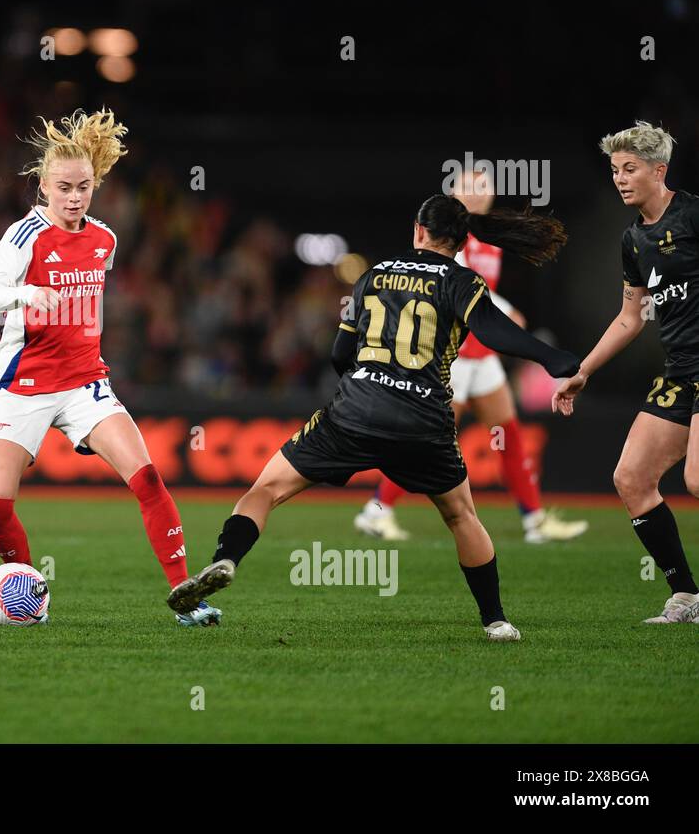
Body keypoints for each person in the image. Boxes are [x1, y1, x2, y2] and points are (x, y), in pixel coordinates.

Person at [171, 195, 580, 641]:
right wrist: (550, 357)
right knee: (462, 516)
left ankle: (228, 558)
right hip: (424, 421)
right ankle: (496, 620)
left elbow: (339, 354)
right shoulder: (464, 281)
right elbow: (493, 331)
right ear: (462, 242)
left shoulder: (373, 275)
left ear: (418, 230)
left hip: (354, 411)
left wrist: (367, 389)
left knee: (265, 490)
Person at [0, 109, 220, 626]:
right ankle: (25, 590)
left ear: (95, 186)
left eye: (83, 187)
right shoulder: (23, 236)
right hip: (23, 386)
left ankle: (186, 594)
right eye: (64, 187)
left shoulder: (104, 239)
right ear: (43, 186)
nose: (73, 197)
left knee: (149, 477)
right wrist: (28, 294)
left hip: (86, 382)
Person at [355, 169, 587, 544]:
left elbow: (477, 291)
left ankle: (534, 520)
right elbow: (453, 287)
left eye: (484, 188)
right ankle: (376, 510)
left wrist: (503, 310)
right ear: (454, 192)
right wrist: (506, 311)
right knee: (425, 439)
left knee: (508, 435)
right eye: (469, 187)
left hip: (480, 357)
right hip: (453, 356)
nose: (478, 195)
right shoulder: (451, 237)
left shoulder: (486, 237)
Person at [553, 120, 699, 624]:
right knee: (632, 477)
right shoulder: (634, 240)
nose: (620, 178)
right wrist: (583, 371)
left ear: (660, 170)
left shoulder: (694, 216)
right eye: (615, 169)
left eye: (630, 168)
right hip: (681, 371)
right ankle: (687, 597)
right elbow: (630, 317)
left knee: (698, 478)